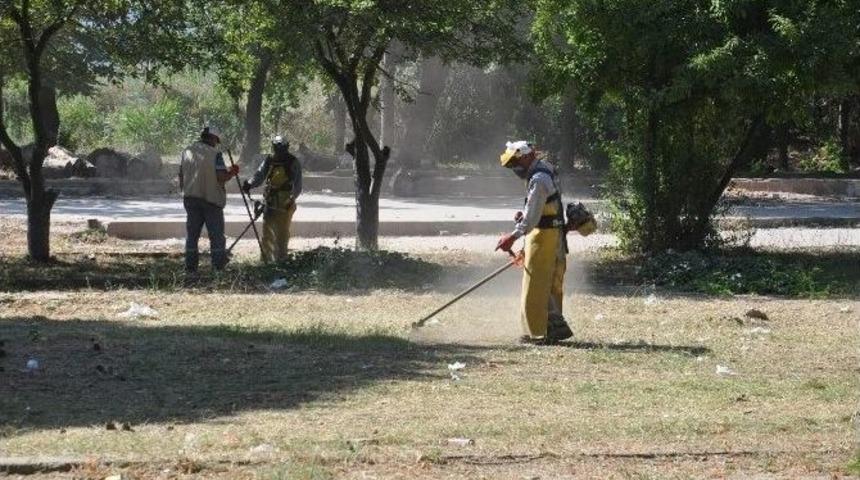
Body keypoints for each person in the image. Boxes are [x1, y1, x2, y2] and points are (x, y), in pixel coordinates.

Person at [496, 140, 574, 345]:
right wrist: (526, 215)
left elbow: (531, 219)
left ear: (527, 156)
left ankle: (539, 333)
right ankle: (550, 329)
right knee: (548, 284)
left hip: (544, 238)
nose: (514, 168)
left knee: (536, 286)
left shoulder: (539, 178)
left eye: (515, 163)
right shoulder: (544, 170)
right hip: (549, 234)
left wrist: (511, 237)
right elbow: (542, 207)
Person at [178, 125, 239, 273]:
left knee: (192, 235)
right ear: (212, 138)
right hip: (211, 200)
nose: (216, 144)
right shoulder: (214, 154)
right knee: (216, 236)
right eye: (216, 141)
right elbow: (221, 177)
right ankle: (218, 267)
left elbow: (181, 175)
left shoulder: (187, 151)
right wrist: (232, 172)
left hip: (190, 198)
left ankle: (190, 267)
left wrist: (185, 191)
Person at [243, 135, 302, 263]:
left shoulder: (293, 162)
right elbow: (259, 175)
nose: (279, 150)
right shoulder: (269, 160)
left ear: (286, 147)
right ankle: (267, 262)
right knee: (267, 233)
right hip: (269, 202)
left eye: (281, 147)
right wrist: (249, 184)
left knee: (282, 233)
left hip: (285, 203)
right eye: (277, 147)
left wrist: (291, 200)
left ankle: (282, 260)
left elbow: (297, 186)